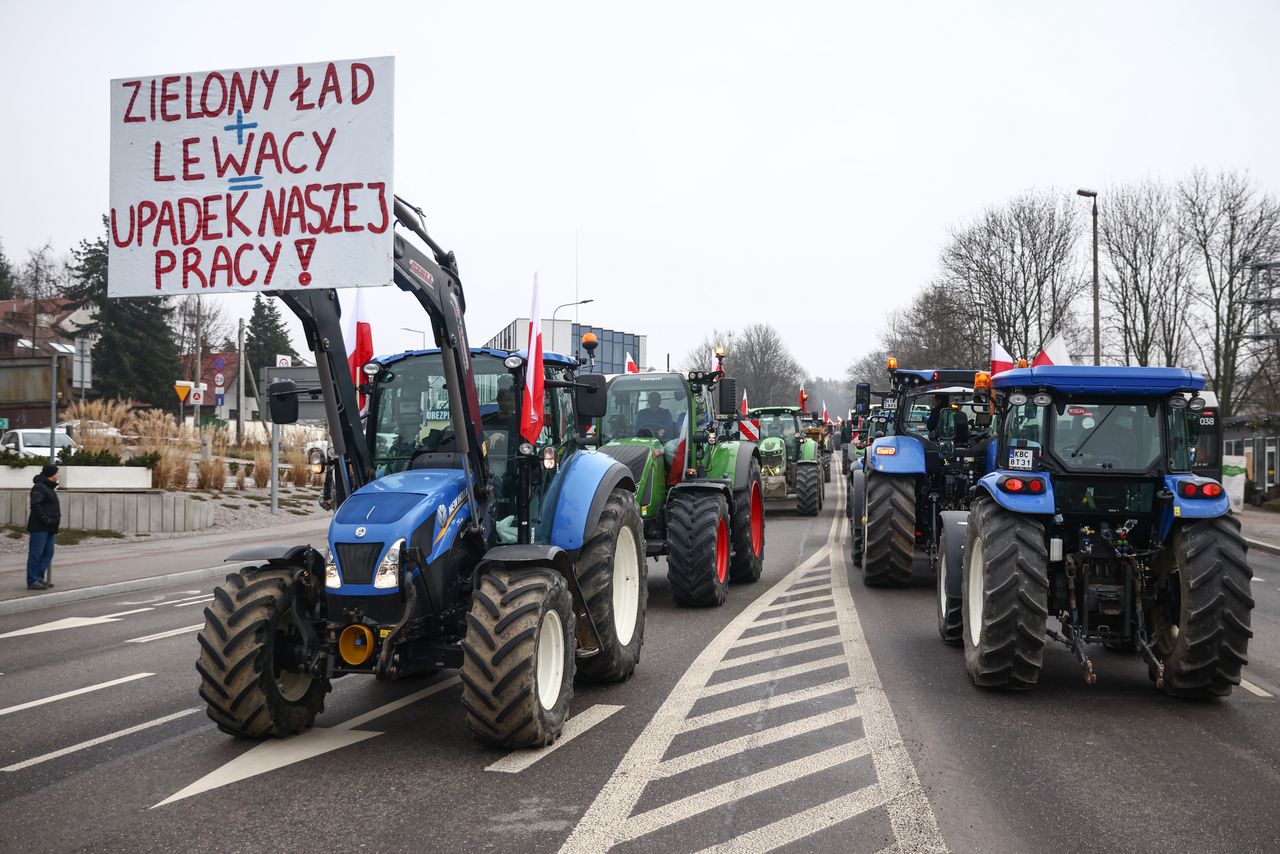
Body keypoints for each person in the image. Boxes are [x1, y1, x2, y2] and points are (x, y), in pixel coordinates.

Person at [26, 463, 60, 591]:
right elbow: (36, 505)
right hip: (39, 527)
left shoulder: (48, 487)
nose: (58, 475)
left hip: (49, 527)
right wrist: (46, 519)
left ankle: (39, 578)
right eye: (56, 473)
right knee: (36, 553)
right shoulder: (39, 487)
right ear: (51, 475)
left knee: (48, 553)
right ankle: (32, 580)